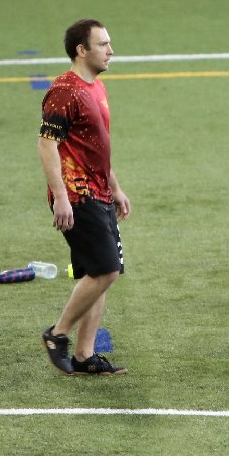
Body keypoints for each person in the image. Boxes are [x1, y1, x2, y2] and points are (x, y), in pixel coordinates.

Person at [39, 19, 131, 376]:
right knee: (106, 271)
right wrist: (60, 196)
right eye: (103, 44)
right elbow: (47, 145)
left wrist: (115, 187)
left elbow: (96, 147)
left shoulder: (96, 87)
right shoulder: (65, 90)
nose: (111, 51)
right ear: (82, 49)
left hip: (100, 191)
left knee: (99, 273)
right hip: (78, 195)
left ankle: (84, 356)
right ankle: (57, 334)